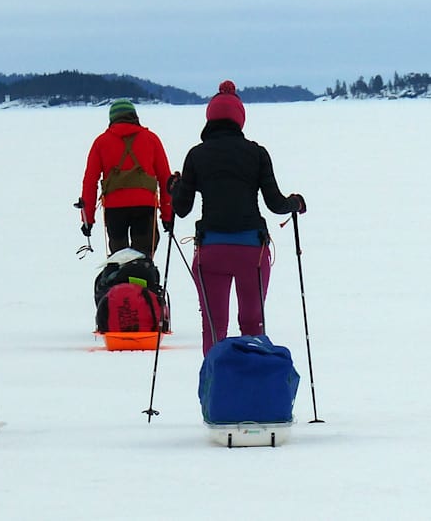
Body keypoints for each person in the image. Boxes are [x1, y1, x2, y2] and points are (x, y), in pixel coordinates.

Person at [168, 81, 307, 355]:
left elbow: (182, 209)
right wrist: (296, 203)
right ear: (240, 119)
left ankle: (216, 389)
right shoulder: (257, 154)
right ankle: (253, 387)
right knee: (252, 324)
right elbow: (275, 203)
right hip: (251, 253)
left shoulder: (196, 155)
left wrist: (175, 188)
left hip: (211, 251)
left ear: (210, 118)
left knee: (214, 326)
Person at [79, 98, 174, 259]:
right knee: (143, 258)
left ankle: (121, 282)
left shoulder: (101, 142)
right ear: (135, 116)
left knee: (119, 259)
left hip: (115, 211)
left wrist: (87, 219)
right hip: (145, 207)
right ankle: (142, 281)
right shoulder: (151, 139)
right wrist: (167, 215)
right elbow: (166, 179)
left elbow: (90, 182)